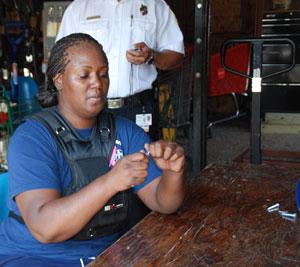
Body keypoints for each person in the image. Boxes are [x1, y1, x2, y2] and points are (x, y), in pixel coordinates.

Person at [0, 33, 185, 266]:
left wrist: (173, 172)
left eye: (103, 74)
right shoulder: (32, 138)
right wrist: (111, 181)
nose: (97, 83)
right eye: (84, 75)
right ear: (59, 80)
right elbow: (45, 228)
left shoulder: (125, 132)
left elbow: (164, 203)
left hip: (102, 255)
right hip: (31, 255)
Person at [56, 0, 185, 226]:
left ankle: (139, 237)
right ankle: (97, 232)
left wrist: (152, 56)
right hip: (88, 110)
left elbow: (177, 54)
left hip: (136, 107)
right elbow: (60, 61)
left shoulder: (154, 5)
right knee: (90, 171)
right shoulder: (80, 7)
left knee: (142, 173)